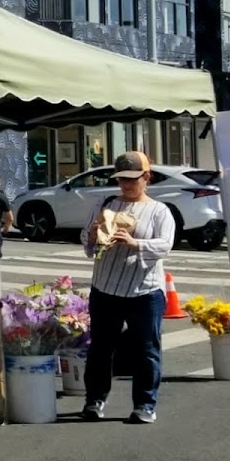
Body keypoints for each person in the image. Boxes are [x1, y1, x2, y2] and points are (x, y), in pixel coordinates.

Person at [80, 151, 174, 424]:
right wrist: (92, 235)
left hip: (145, 291)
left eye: (132, 179)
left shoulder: (159, 210)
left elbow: (165, 245)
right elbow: (87, 244)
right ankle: (95, 400)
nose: (126, 185)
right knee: (100, 348)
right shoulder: (106, 203)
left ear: (146, 177)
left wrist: (136, 243)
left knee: (146, 349)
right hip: (105, 287)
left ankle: (145, 404)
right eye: (121, 179)